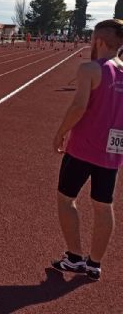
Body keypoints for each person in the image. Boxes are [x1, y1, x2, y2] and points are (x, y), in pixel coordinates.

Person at [51, 19, 123, 282]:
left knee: (66, 199)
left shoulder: (90, 69)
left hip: (82, 149)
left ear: (99, 41)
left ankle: (74, 257)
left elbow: (78, 107)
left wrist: (60, 132)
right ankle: (94, 264)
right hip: (112, 151)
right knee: (104, 206)